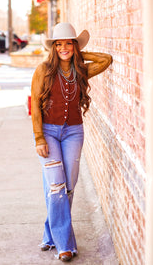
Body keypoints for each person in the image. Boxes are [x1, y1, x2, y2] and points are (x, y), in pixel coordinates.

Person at [31, 22, 113, 262]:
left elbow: (106, 60)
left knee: (66, 187)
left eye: (69, 43)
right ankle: (65, 245)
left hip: (74, 133)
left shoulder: (80, 70)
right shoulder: (43, 70)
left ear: (74, 46)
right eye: (59, 44)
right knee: (56, 187)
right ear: (53, 48)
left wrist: (78, 54)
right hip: (49, 133)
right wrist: (39, 138)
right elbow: (35, 105)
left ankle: (49, 234)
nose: (63, 47)